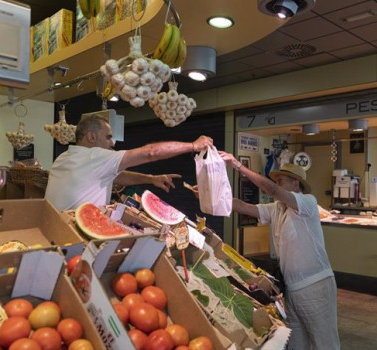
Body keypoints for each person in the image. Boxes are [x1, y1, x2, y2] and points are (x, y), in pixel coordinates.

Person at [215, 152, 340, 350]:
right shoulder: (277, 208)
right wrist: (211, 194)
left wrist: (238, 166)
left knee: (325, 342)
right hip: (291, 289)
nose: (277, 185)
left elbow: (271, 189)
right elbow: (244, 207)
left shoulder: (307, 202)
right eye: (278, 181)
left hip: (315, 286)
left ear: (295, 184)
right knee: (296, 344)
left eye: (282, 181)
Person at [45, 113, 213, 211]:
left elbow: (116, 176)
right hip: (78, 238)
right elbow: (151, 152)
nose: (112, 143)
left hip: (55, 230)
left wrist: (150, 179)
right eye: (109, 137)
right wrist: (193, 145)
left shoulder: (65, 157)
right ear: (92, 136)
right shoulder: (95, 156)